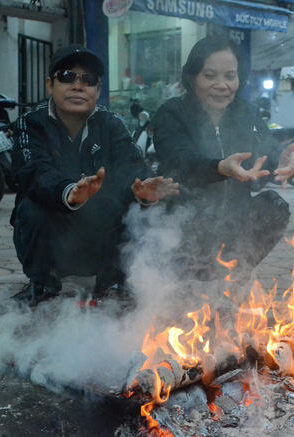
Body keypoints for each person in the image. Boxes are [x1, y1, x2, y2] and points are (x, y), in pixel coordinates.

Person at [10, 44, 179, 306]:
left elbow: (130, 163)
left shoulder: (112, 124)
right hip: (54, 243)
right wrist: (68, 191)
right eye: (67, 77)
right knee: (31, 206)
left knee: (135, 203)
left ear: (97, 90)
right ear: (49, 85)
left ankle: (112, 284)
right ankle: (43, 284)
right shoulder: (30, 123)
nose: (78, 86)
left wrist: (143, 188)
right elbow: (32, 172)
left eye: (88, 80)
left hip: (100, 242)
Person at [152, 36, 294, 282]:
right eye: (210, 76)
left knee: (273, 207)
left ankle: (231, 278)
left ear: (240, 79)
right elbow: (179, 162)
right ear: (192, 78)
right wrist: (219, 167)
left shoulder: (247, 113)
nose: (221, 85)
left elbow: (268, 150)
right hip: (184, 226)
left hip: (232, 224)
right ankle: (186, 281)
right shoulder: (173, 112)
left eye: (230, 76)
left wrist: (284, 162)